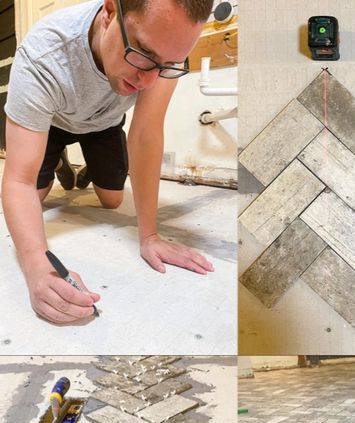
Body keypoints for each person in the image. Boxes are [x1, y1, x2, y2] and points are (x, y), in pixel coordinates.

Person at [1, 0, 214, 324]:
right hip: (53, 123)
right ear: (110, 11)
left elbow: (145, 135)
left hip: (104, 124)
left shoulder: (165, 51)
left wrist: (149, 236)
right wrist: (36, 265)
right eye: (143, 54)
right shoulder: (42, 55)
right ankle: (59, 163)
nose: (148, 81)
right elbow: (18, 181)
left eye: (168, 64)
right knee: (37, 197)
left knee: (113, 201)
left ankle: (87, 167)